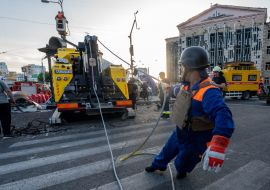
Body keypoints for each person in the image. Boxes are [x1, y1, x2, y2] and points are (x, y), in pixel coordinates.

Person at [145, 46, 234, 178]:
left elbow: (223, 114)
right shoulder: (188, 85)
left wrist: (218, 144)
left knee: (183, 163)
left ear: (189, 68)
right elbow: (178, 90)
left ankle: (182, 170)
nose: (181, 70)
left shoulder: (209, 91)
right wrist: (169, 88)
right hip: (181, 130)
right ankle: (158, 165)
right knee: (167, 150)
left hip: (197, 138)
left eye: (182, 66)